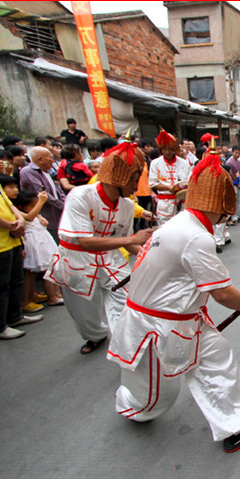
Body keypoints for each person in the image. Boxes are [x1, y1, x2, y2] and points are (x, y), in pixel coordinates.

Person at [107, 142, 240, 454]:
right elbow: (221, 292)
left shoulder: (180, 223)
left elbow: (209, 285)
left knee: (216, 357)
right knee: (154, 399)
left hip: (168, 319)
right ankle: (131, 406)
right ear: (220, 204)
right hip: (161, 326)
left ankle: (237, 425)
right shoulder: (197, 236)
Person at [44, 140, 154, 354]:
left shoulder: (127, 205)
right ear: (119, 178)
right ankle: (95, 336)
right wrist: (133, 240)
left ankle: (128, 347)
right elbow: (85, 241)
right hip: (78, 263)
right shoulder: (80, 196)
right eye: (134, 180)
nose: (135, 186)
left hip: (111, 261)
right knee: (85, 315)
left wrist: (150, 255)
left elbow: (126, 240)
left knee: (129, 304)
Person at [0, 176, 43, 339]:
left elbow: (11, 205)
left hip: (14, 240)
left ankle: (14, 316)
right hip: (1, 244)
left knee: (16, 280)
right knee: (1, 286)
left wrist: (19, 221)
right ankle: (1, 326)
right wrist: (11, 225)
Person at [14, 190, 63, 307]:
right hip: (35, 244)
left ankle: (55, 293)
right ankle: (51, 297)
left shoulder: (36, 214)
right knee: (43, 271)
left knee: (51, 267)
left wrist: (39, 215)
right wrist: (40, 202)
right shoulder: (22, 214)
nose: (36, 207)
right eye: (32, 206)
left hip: (44, 242)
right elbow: (30, 217)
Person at [18, 147, 66, 244]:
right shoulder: (28, 171)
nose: (53, 161)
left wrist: (66, 203)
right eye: (50, 157)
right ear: (40, 159)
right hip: (44, 216)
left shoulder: (47, 172)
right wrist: (63, 206)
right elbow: (42, 193)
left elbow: (59, 192)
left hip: (57, 215)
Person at [149, 128, 191, 226]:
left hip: (181, 203)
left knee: (182, 229)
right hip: (164, 204)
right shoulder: (155, 163)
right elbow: (153, 183)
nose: (167, 152)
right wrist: (168, 188)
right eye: (164, 149)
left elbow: (189, 181)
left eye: (170, 149)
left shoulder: (184, 163)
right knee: (164, 230)